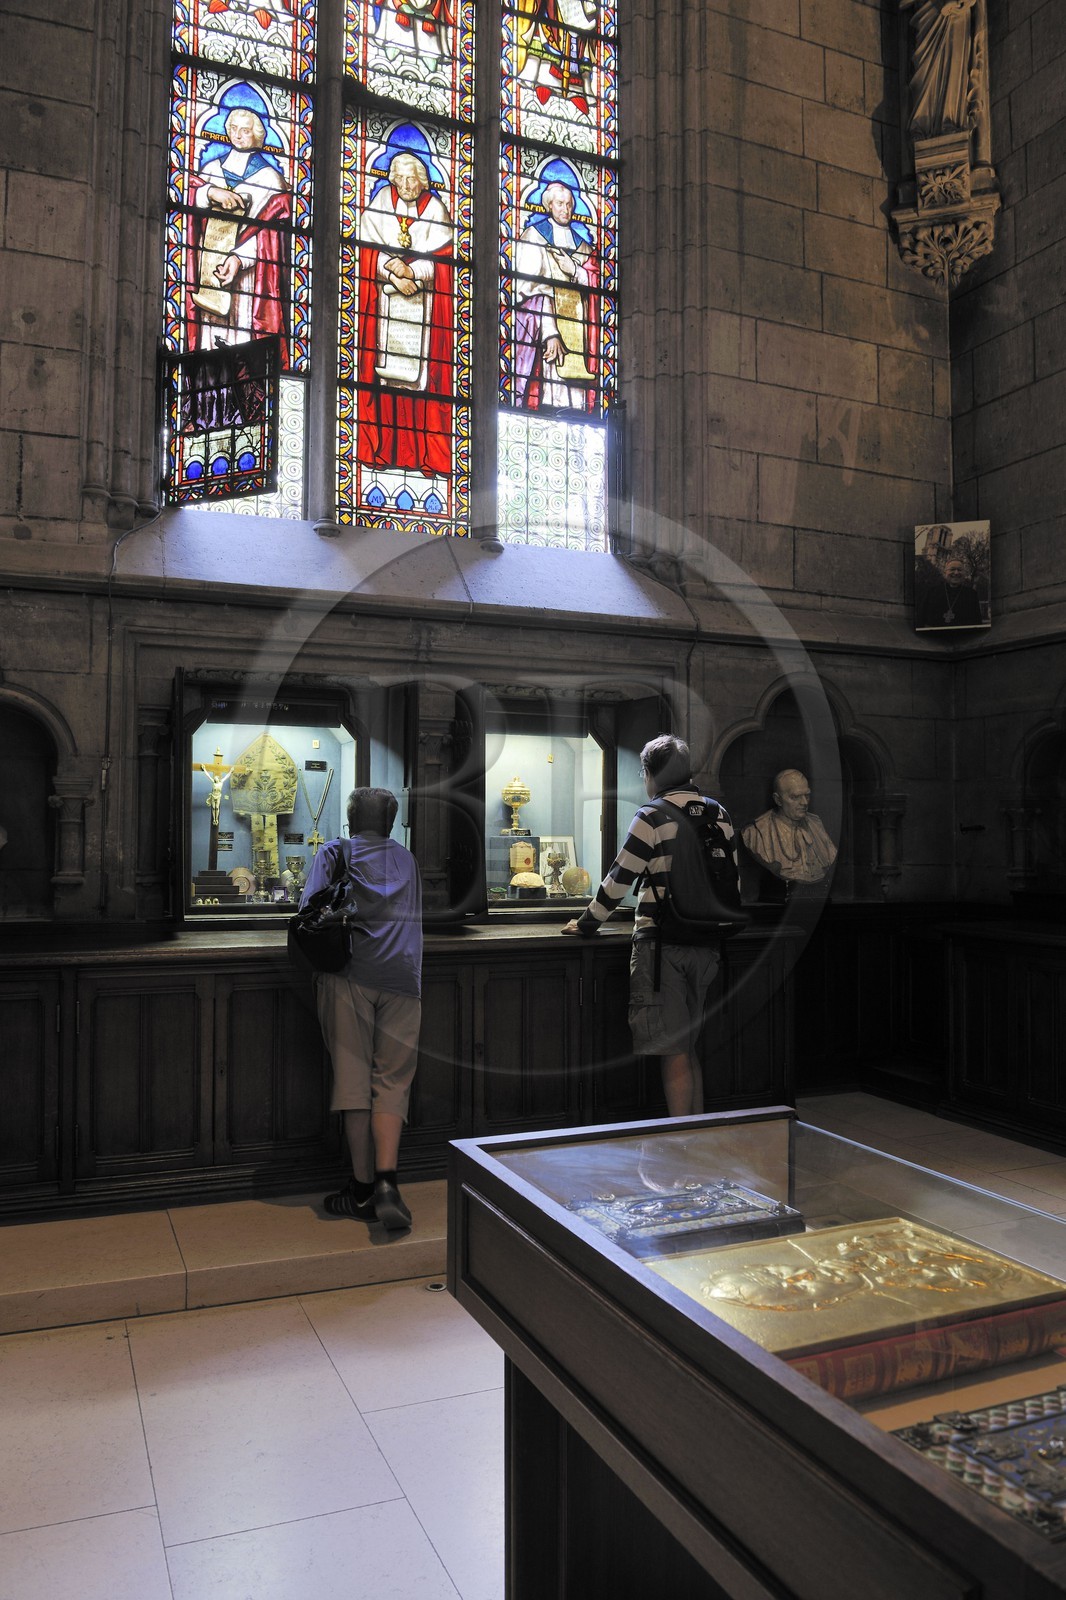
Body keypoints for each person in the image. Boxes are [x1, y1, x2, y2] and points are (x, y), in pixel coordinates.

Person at [561, 734, 739, 1118]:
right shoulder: (718, 813)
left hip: (662, 948)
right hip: (709, 944)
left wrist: (587, 923)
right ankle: (699, 1134)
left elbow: (619, 880)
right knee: (689, 1046)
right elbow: (734, 883)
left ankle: (680, 1143)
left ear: (651, 773)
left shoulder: (652, 815)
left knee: (672, 1049)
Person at [301, 787, 423, 1231]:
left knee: (354, 1078)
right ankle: (389, 1180)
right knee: (392, 1081)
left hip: (351, 976)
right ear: (391, 822)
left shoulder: (337, 851)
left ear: (350, 819)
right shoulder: (407, 859)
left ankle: (362, 1189)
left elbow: (307, 910)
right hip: (405, 979)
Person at [357, 141, 455, 478]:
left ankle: (425, 456)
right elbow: (367, 253)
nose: (406, 185)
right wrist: (394, 275)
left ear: (423, 180)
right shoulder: (381, 203)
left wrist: (413, 272)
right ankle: (384, 452)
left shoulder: (437, 211)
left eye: (412, 179)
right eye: (400, 179)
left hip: (424, 314)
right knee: (386, 379)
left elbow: (444, 263)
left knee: (421, 383)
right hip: (386, 308)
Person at [188, 92, 291, 364]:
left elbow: (271, 239)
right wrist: (210, 193)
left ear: (257, 135)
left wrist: (238, 259)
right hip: (210, 269)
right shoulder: (211, 170)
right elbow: (191, 212)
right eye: (233, 129)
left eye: (245, 130)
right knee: (210, 345)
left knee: (241, 344)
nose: (238, 135)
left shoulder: (270, 179)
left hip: (248, 278)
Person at [515, 176, 597, 410]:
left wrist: (575, 270)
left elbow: (596, 286)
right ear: (549, 205)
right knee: (551, 391)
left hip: (577, 330)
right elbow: (526, 290)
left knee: (575, 401)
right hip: (545, 328)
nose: (566, 209)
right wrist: (549, 330)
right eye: (560, 204)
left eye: (570, 204)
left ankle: (579, 414)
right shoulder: (534, 237)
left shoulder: (583, 247)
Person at [742, 770, 837, 885]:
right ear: (778, 800)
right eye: (795, 797)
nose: (804, 802)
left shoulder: (816, 823)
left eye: (807, 795)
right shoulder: (756, 833)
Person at [907, 0, 978, 139]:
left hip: (958, 11)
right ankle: (922, 125)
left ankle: (949, 121)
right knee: (926, 69)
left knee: (954, 63)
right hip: (930, 9)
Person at [915, 555, 985, 628]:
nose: (956, 573)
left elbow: (977, 623)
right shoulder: (932, 592)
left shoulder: (971, 594)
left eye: (960, 570)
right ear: (945, 572)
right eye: (952, 569)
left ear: (964, 573)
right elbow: (920, 618)